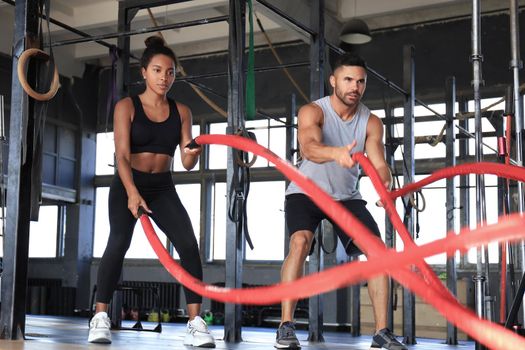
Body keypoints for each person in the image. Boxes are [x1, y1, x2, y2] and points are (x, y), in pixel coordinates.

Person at [88, 36, 215, 348]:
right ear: (144, 72)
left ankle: (196, 323)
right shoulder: (127, 106)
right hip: (127, 182)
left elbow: (185, 161)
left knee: (188, 244)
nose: (164, 77)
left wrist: (193, 154)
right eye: (158, 70)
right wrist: (131, 192)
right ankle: (100, 318)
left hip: (162, 187)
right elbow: (120, 155)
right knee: (119, 242)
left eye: (170, 72)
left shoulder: (181, 110)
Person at [275, 53, 407, 350]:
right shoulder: (313, 111)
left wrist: (384, 184)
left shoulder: (371, 121)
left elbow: (378, 163)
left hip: (346, 197)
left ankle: (381, 332)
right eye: (348, 79)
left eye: (361, 81)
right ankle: (285, 326)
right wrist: (335, 153)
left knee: (377, 252)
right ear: (334, 80)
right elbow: (309, 147)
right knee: (299, 243)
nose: (355, 87)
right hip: (306, 191)